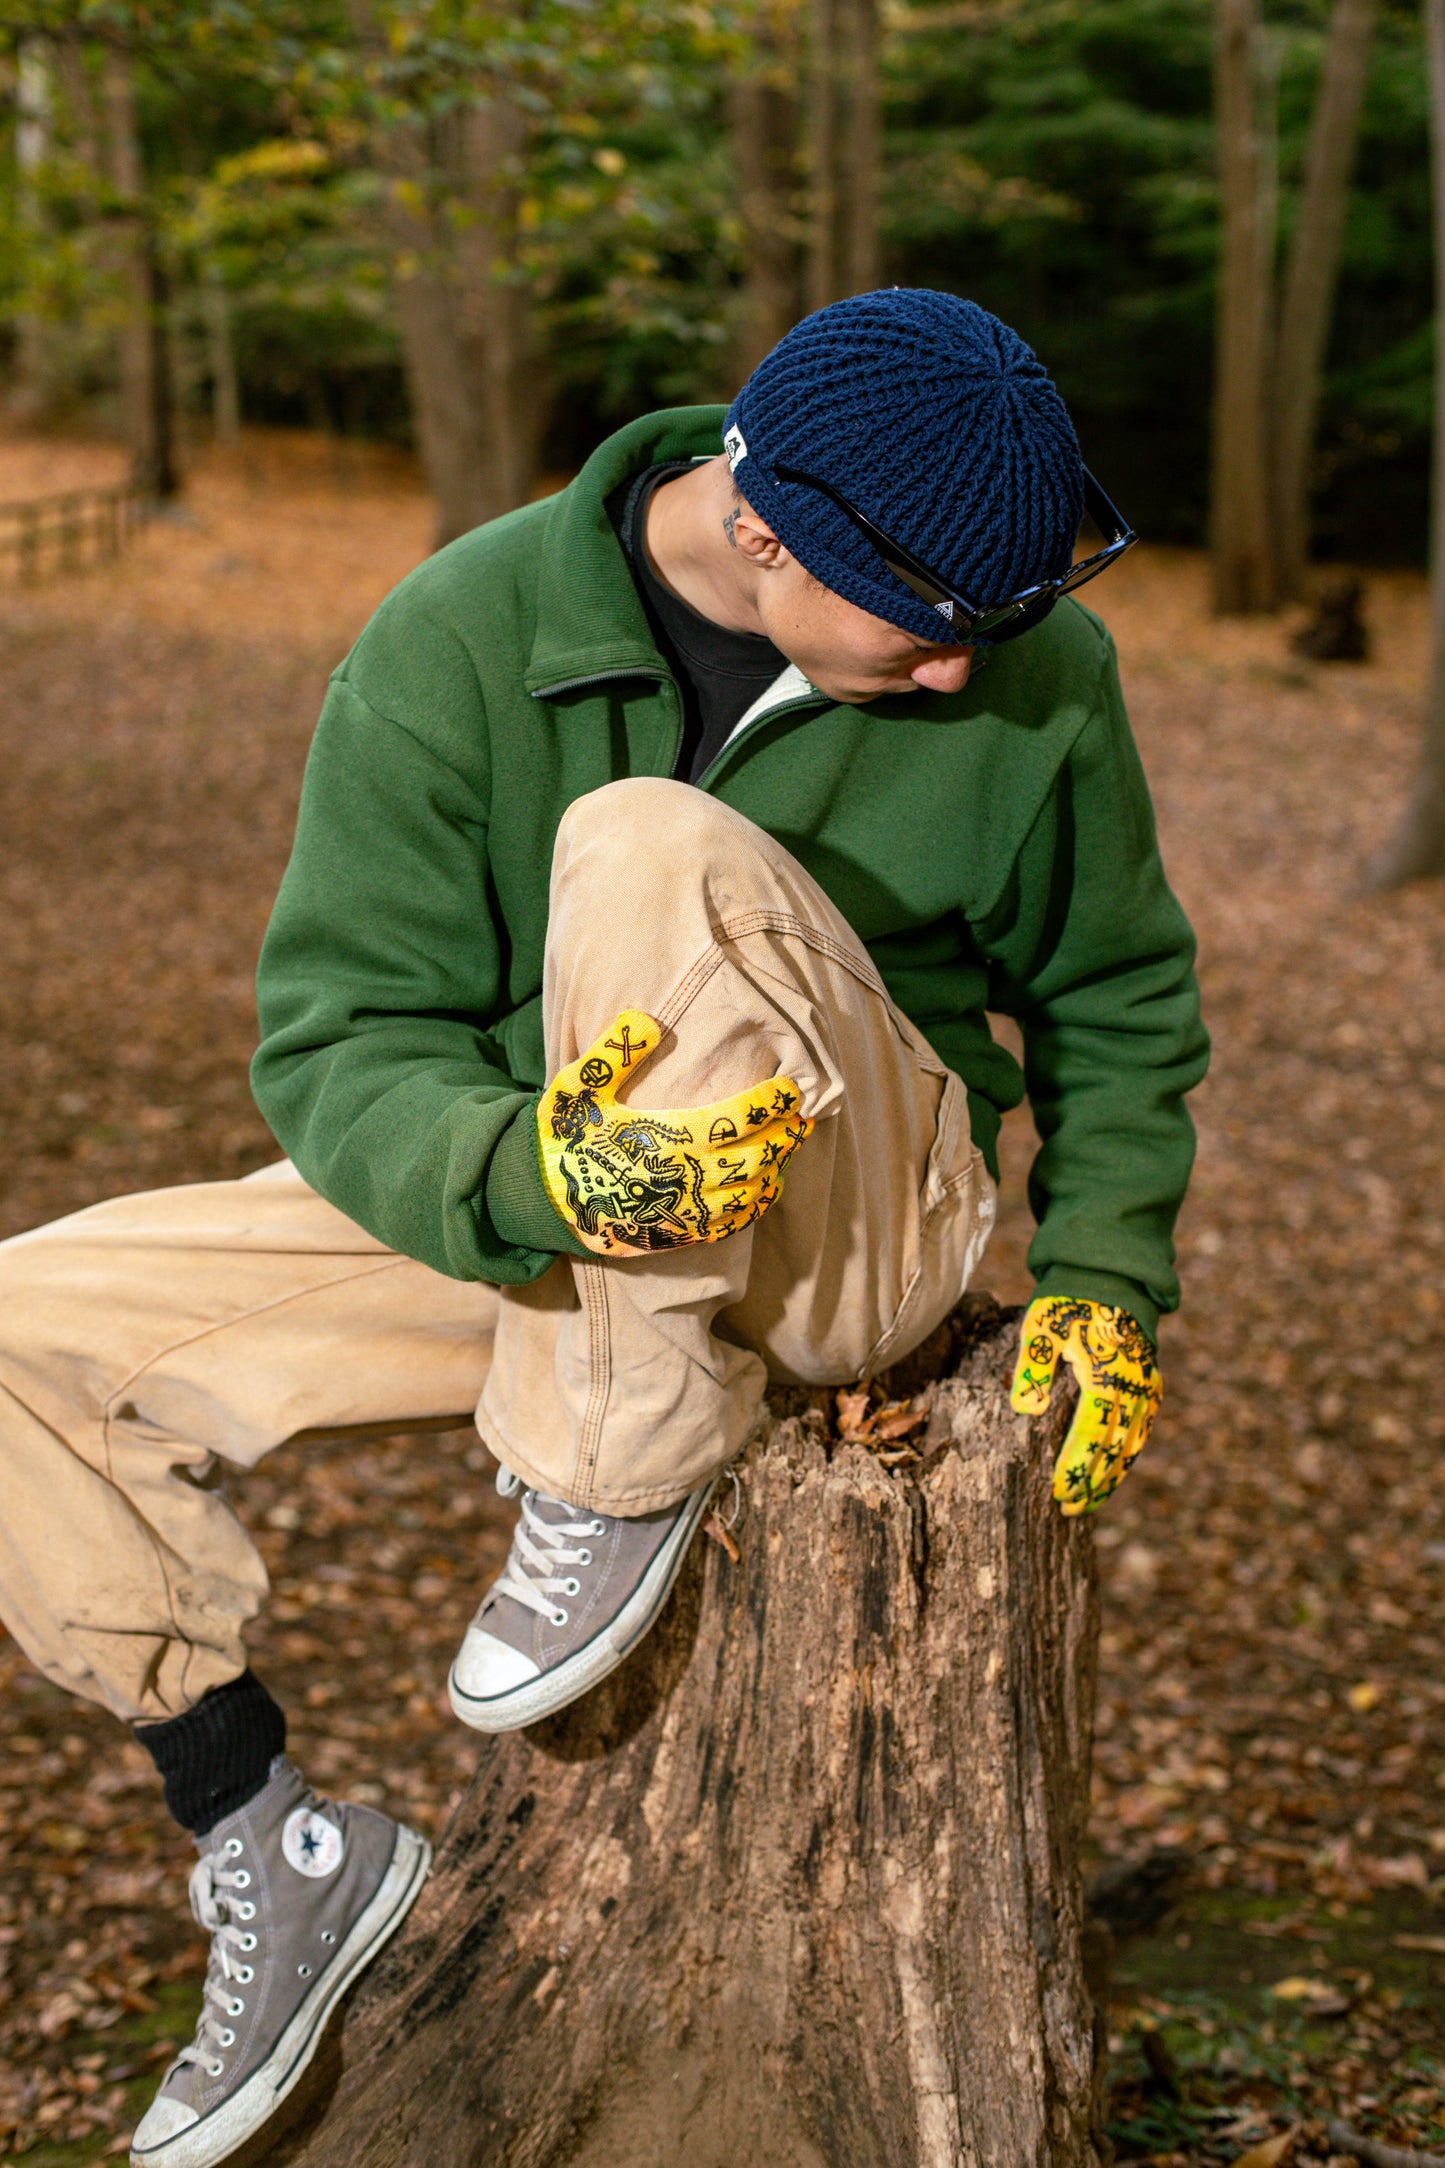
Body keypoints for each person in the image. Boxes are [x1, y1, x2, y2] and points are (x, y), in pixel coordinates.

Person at [0, 289, 1207, 2168]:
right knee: (22, 1329)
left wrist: (1106, 1276)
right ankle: (267, 1838)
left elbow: (1117, 1003)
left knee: (644, 840)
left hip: (846, 1227)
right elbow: (342, 1041)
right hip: (549, 1202)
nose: (972, 673)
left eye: (1009, 621)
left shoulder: (1039, 674)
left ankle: (617, 1463)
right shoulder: (460, 634)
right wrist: (535, 1184)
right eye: (937, 630)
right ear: (758, 524)